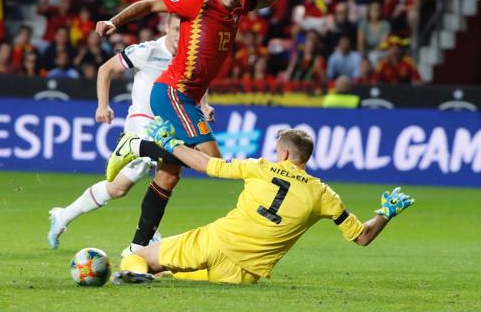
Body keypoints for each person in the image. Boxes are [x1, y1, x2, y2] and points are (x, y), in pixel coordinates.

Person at [96, 0, 292, 255]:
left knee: (169, 174)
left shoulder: (238, 6)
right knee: (212, 160)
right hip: (173, 92)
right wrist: (114, 21)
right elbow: (149, 4)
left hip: (187, 97)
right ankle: (133, 147)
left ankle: (137, 248)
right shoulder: (198, 1)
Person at [113, 118, 414, 284]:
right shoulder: (323, 195)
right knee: (171, 276)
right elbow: (362, 237)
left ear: (283, 154)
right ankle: (151, 277)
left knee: (136, 259)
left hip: (214, 242)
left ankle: (137, 277)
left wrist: (170, 144)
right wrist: (386, 213)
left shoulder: (259, 167)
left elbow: (206, 164)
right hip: (243, 275)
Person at [46, 14, 182, 249]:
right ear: (167, 27)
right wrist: (102, 105)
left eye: (186, 30)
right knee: (162, 158)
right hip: (142, 121)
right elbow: (105, 69)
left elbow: (197, 83)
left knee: (117, 188)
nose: (182, 35)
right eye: (177, 29)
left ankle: (63, 216)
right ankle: (150, 235)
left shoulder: (190, 54)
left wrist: (205, 104)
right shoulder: (147, 51)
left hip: (168, 125)